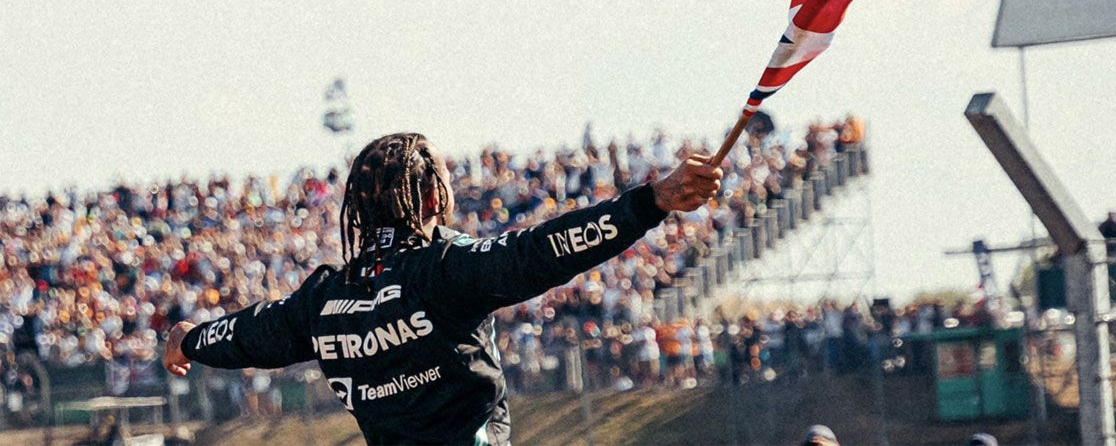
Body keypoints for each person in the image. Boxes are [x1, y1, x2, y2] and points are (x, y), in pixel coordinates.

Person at [162, 132, 722, 445]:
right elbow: (543, 252)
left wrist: (191, 339)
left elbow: (251, 334)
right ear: (432, 199)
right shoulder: (444, 270)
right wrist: (649, 203)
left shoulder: (321, 301)